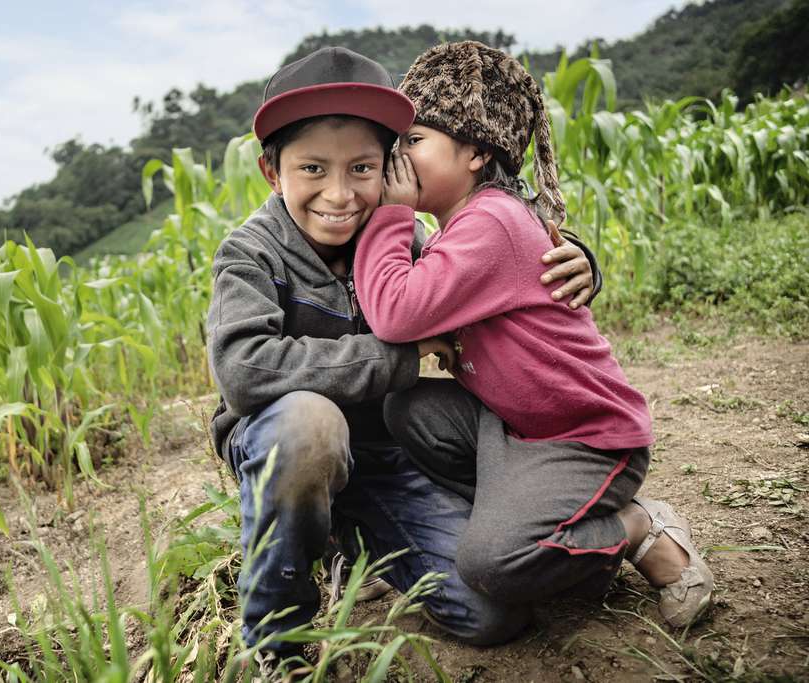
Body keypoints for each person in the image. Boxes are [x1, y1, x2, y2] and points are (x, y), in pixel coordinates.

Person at [206, 46, 603, 670]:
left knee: (491, 611)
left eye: (362, 169)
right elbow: (245, 368)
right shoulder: (252, 254)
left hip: (386, 459)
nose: (339, 194)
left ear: (389, 167)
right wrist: (401, 357)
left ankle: (349, 532)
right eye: (313, 168)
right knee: (310, 425)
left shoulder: (399, 237)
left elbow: (488, 256)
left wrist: (577, 259)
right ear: (271, 171)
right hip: (290, 447)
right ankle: (276, 637)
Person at [352, 40, 714, 630]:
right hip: (518, 430)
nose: (398, 159)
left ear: (474, 151)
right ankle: (541, 527)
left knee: (492, 564)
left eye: (413, 142)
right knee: (411, 408)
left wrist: (391, 213)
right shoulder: (463, 225)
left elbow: (394, 313)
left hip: (585, 437)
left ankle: (637, 526)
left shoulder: (490, 222)